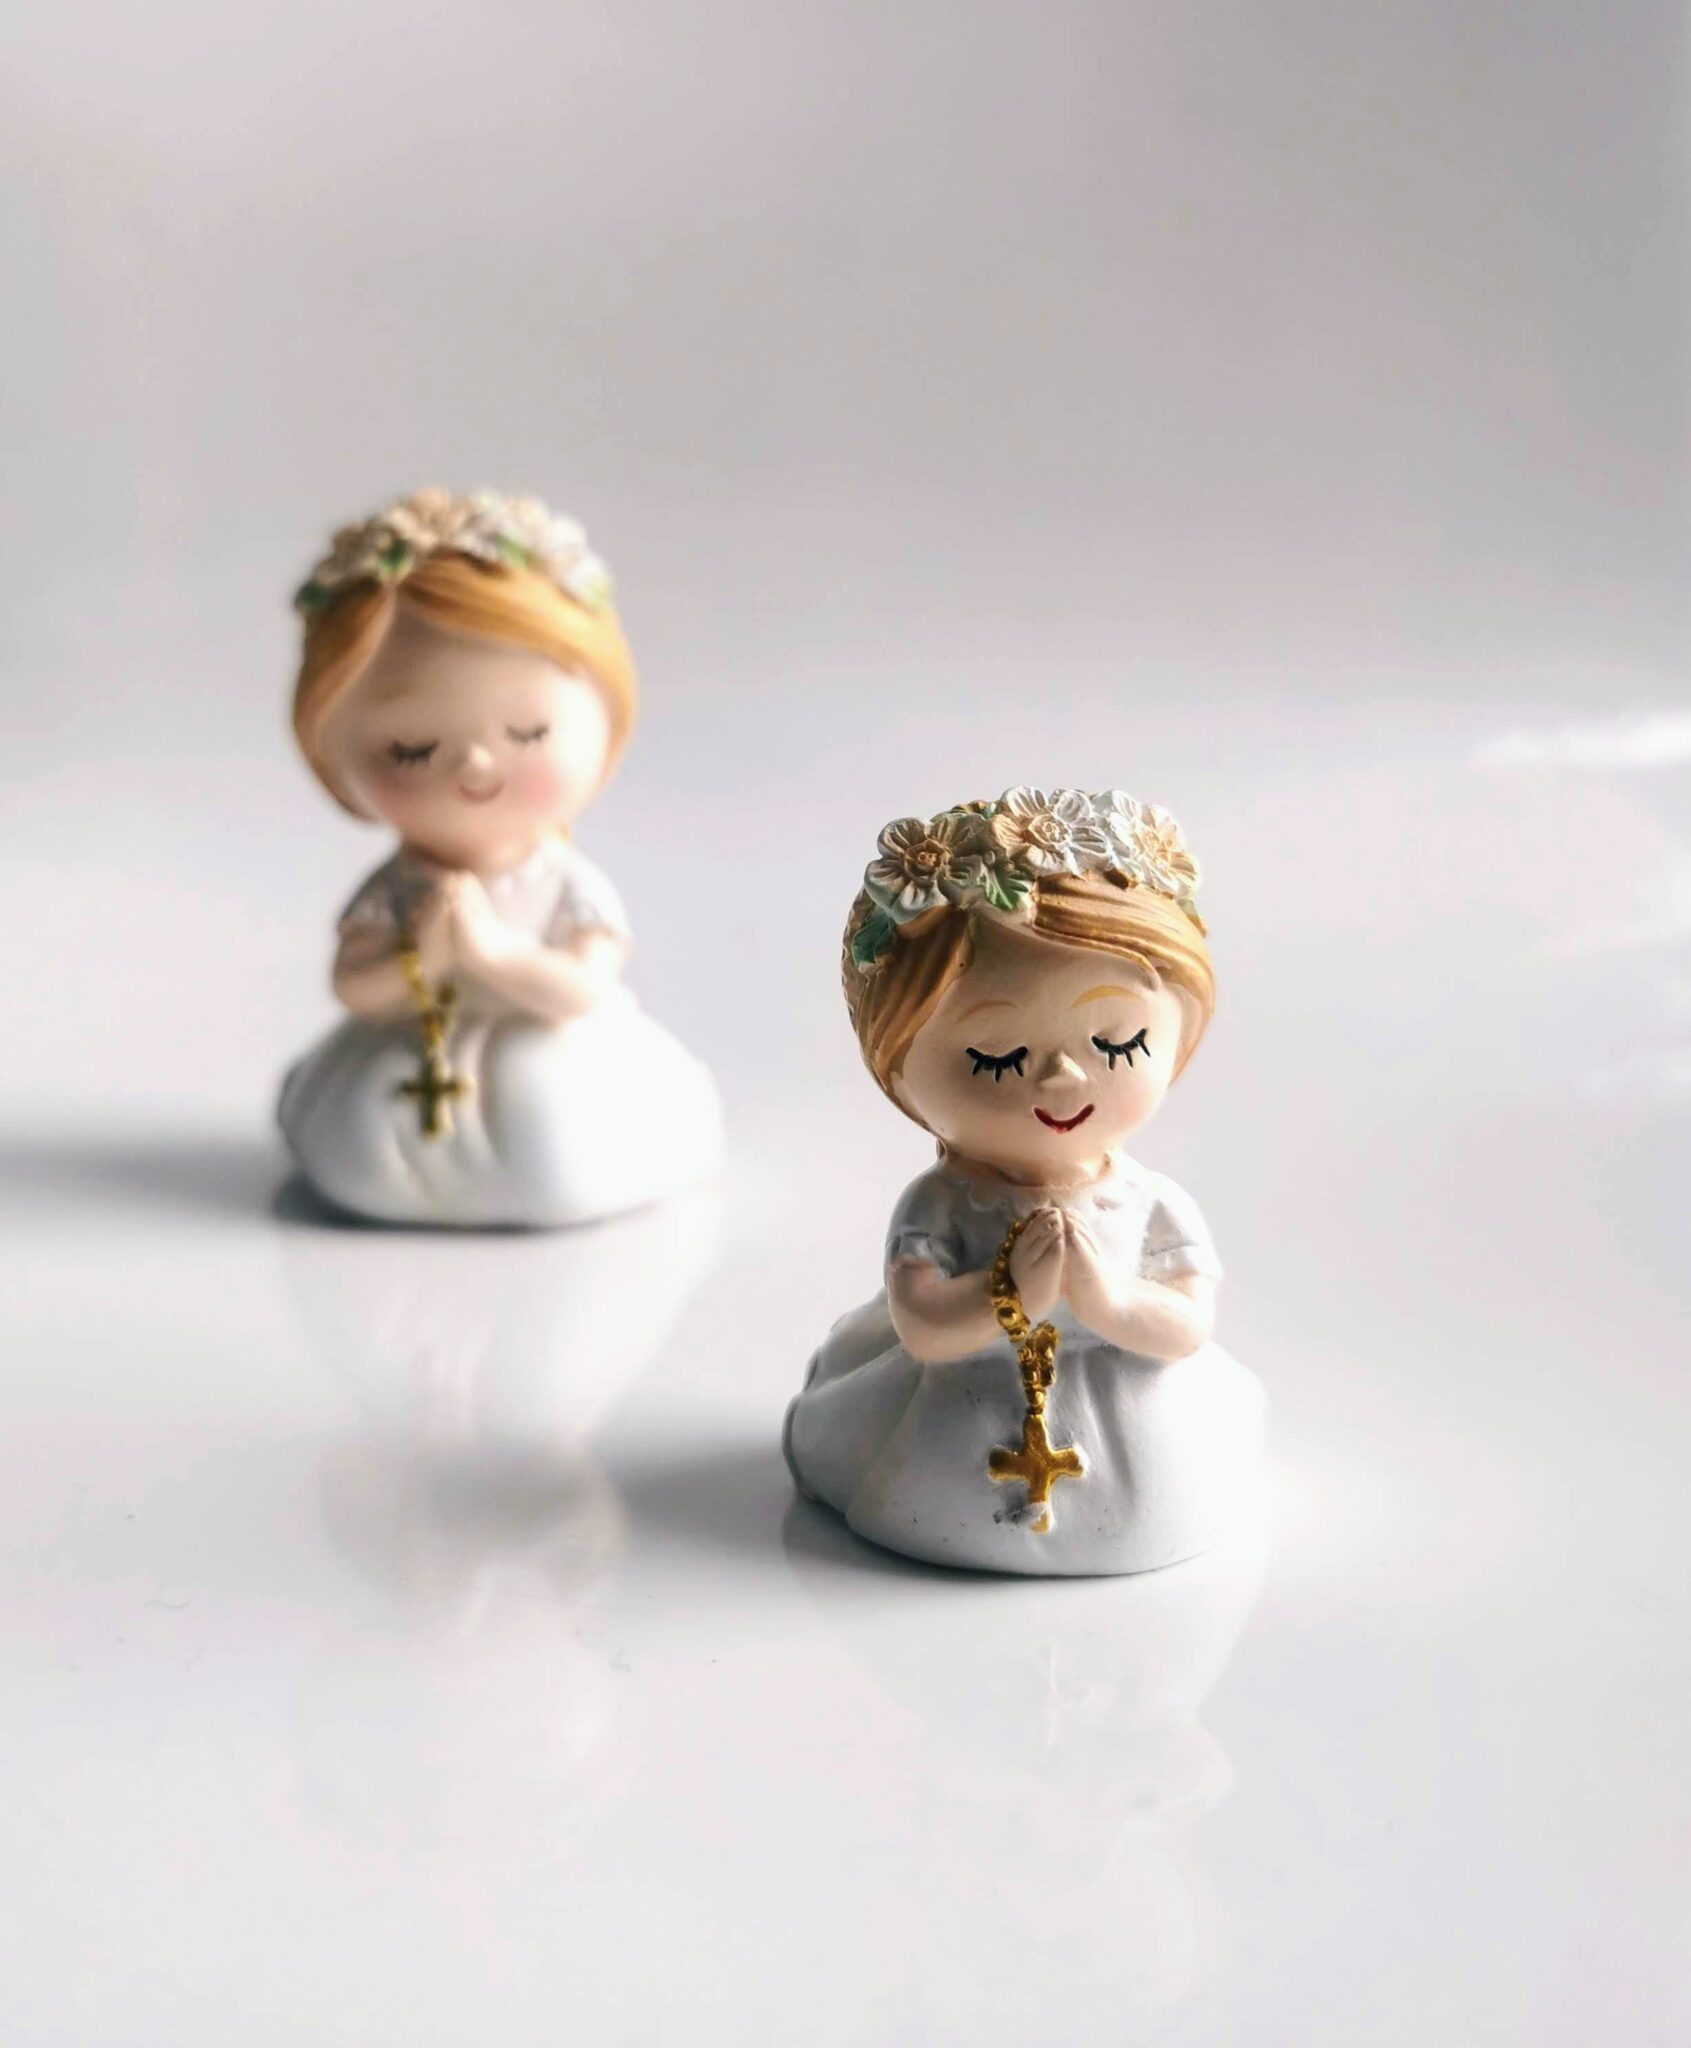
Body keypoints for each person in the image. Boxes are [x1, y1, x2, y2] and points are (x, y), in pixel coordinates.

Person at [784, 785, 1264, 1573]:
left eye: (1117, 1044)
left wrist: (1106, 1301)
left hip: (1137, 1409)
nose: (1063, 1079)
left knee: (1160, 1499)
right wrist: (1010, 1296)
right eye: (996, 1058)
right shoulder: (943, 1203)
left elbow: (1185, 1326)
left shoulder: (1148, 1202)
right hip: (963, 1401)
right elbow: (924, 1326)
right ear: (898, 1071)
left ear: (1177, 1036)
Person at [278, 487, 720, 1226]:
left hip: (546, 1049)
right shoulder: (397, 888)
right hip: (409, 1051)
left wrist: (491, 955)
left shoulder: (563, 883)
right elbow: (353, 986)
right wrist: (421, 958)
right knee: (354, 1148)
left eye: (528, 734)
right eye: (412, 749)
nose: (477, 765)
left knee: (553, 1146)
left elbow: (581, 990)